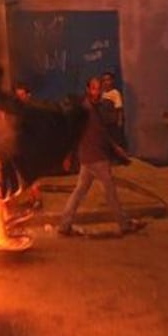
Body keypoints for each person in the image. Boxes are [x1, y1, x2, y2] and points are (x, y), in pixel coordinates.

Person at [57, 77, 143, 237]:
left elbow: (101, 132)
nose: (98, 91)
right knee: (110, 193)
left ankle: (64, 225)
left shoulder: (97, 108)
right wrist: (68, 156)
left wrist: (116, 148)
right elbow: (74, 133)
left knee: (79, 191)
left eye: (100, 88)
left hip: (89, 158)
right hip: (96, 158)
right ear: (88, 89)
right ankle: (124, 224)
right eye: (95, 88)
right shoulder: (85, 109)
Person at [99, 71, 126, 149]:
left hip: (113, 122)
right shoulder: (102, 93)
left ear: (112, 81)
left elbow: (119, 108)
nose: (106, 82)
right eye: (104, 80)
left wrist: (119, 121)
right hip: (104, 122)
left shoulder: (115, 93)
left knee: (116, 140)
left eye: (108, 80)